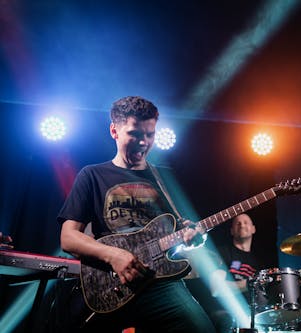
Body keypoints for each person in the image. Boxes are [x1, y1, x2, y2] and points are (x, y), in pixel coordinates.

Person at [57, 96, 215, 333]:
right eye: (135, 134)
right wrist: (114, 256)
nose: (144, 142)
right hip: (110, 281)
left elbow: (179, 235)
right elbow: (68, 238)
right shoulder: (92, 175)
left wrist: (193, 239)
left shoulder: (164, 180)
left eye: (150, 134)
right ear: (114, 131)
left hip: (160, 283)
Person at [208, 213, 261, 332]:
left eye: (246, 222)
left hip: (253, 315)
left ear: (253, 229)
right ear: (232, 231)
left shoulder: (258, 263)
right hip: (227, 312)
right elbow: (216, 289)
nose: (242, 225)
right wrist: (249, 283)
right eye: (238, 223)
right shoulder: (222, 252)